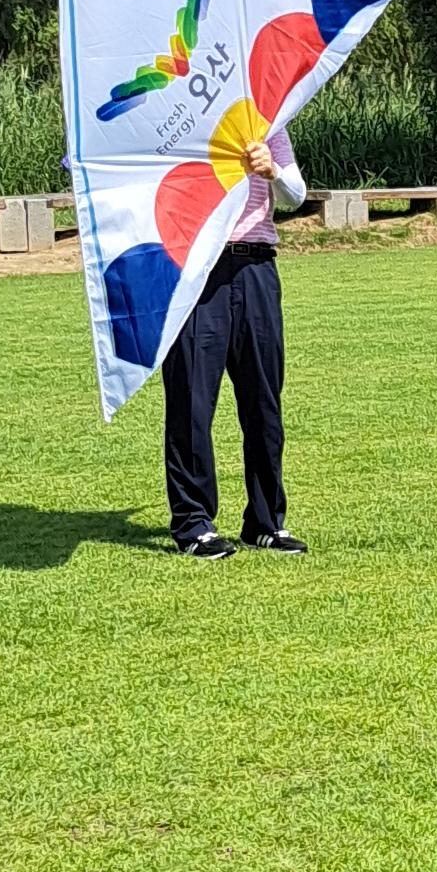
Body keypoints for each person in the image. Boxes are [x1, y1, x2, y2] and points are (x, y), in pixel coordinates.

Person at [162, 118, 309, 557]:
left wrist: (272, 171)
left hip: (256, 266)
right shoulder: (179, 122)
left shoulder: (265, 122)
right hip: (195, 270)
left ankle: (265, 522)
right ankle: (193, 523)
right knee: (191, 399)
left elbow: (296, 195)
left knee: (263, 400)